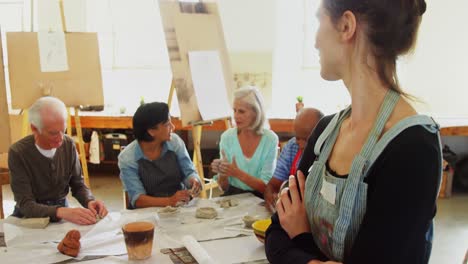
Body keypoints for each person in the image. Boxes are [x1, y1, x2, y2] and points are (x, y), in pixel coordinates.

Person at [266, 1, 441, 263]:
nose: (315, 42)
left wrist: (302, 238)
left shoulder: (413, 148)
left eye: (318, 21)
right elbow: (276, 235)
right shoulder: (325, 131)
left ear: (346, 26)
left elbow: (288, 242)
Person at [9, 97, 108, 225]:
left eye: (63, 130)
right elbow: (26, 205)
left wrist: (89, 201)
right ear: (34, 128)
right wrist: (62, 212)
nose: (60, 138)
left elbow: (78, 184)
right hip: (29, 218)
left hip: (61, 213)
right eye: (53, 133)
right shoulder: (18, 152)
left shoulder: (68, 144)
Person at [118, 102, 202, 209]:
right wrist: (169, 201)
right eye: (167, 124)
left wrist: (193, 180)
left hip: (179, 205)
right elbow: (137, 199)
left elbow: (188, 172)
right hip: (147, 211)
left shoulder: (175, 142)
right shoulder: (128, 158)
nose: (173, 127)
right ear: (152, 131)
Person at [211, 86, 278, 198]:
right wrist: (223, 173)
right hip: (233, 196)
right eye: (234, 110)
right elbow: (224, 188)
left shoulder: (270, 139)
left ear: (256, 113)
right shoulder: (227, 137)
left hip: (260, 199)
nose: (236, 116)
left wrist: (236, 173)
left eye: (241, 111)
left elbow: (266, 187)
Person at [264, 108, 323, 212]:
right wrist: (271, 196)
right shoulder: (292, 146)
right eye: (298, 138)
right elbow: (273, 184)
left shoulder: (331, 151)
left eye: (307, 140)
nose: (301, 144)